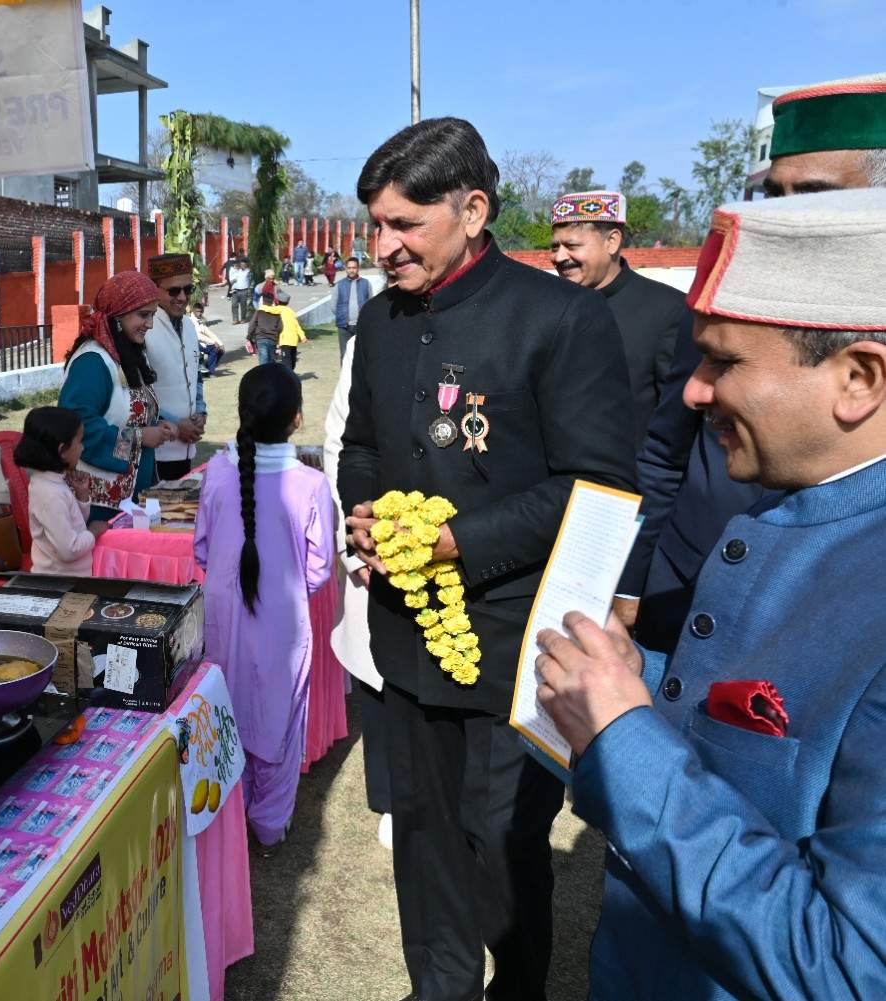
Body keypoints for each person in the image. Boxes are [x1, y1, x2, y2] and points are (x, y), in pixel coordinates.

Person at [535, 188, 886, 1001]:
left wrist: (624, 738)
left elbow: (848, 968)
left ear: (859, 378)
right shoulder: (779, 510)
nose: (695, 391)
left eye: (724, 363)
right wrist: (642, 680)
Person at [338, 117, 636, 1001]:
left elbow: (597, 485)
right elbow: (362, 444)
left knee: (502, 844)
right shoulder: (381, 323)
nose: (383, 248)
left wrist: (455, 543)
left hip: (513, 644)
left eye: (404, 225)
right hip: (404, 639)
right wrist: (367, 515)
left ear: (472, 211)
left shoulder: (561, 317)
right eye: (375, 226)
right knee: (422, 837)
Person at [617, 72, 885, 652]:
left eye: (813, 199)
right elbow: (663, 452)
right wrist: (629, 581)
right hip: (690, 572)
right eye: (772, 197)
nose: (778, 221)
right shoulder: (727, 300)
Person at [195, 363, 334, 851]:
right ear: (297, 418)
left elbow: (203, 550)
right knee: (278, 720)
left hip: (223, 618)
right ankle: (269, 823)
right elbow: (319, 568)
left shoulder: (216, 470)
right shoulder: (311, 484)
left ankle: (233, 814)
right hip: (282, 624)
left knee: (228, 709)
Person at [323, 334, 391, 849]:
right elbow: (340, 447)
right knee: (381, 678)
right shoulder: (371, 336)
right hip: (375, 544)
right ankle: (390, 798)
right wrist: (355, 547)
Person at [549, 190, 685, 446]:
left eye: (572, 246)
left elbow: (677, 421)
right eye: (555, 246)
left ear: (612, 242)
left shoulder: (668, 311)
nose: (558, 257)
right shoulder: (547, 307)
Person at [58, 271, 178, 520]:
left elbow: (125, 413)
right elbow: (77, 427)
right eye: (143, 315)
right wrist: (140, 437)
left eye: (152, 315)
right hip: (98, 506)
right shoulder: (92, 362)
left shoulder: (126, 355)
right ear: (118, 315)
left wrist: (158, 425)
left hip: (128, 499)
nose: (150, 324)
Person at [15, 406, 109, 576]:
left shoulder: (51, 482)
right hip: (60, 583)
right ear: (62, 450)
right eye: (79, 442)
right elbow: (69, 550)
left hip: (69, 579)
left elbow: (73, 526)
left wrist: (81, 496)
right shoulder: (50, 494)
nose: (82, 448)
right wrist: (93, 532)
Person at [147, 253, 207, 481]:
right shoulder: (145, 329)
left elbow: (196, 375)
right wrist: (175, 423)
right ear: (155, 289)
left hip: (187, 447)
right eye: (174, 291)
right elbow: (138, 393)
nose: (182, 297)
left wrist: (200, 411)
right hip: (157, 451)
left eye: (188, 289)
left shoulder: (190, 325)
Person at [333, 256, 370, 359]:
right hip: (344, 326)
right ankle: (345, 371)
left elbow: (370, 304)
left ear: (358, 268)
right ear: (346, 269)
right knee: (345, 354)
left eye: (354, 268)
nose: (351, 270)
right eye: (349, 268)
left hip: (361, 325)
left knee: (361, 354)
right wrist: (342, 315)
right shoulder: (339, 285)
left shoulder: (366, 283)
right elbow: (333, 305)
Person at [271, 290, 308, 370]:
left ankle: (288, 376)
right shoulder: (291, 311)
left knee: (286, 362)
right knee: (292, 362)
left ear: (277, 301)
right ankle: (290, 375)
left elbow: (267, 309)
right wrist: (302, 336)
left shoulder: (278, 309)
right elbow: (297, 325)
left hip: (284, 340)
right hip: (293, 340)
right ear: (287, 302)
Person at [246, 290, 284, 365]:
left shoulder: (259, 312)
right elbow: (280, 327)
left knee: (263, 360)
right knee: (271, 360)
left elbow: (252, 325)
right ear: (272, 301)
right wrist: (276, 333)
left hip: (261, 338)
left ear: (263, 301)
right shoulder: (277, 313)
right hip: (273, 339)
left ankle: (264, 371)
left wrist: (249, 336)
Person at [194, 302, 224, 376]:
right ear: (193, 311)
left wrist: (220, 343)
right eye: (198, 311)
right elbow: (198, 336)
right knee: (214, 349)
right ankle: (210, 372)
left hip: (202, 343)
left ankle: (208, 370)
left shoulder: (200, 320)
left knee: (220, 350)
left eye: (201, 312)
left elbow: (208, 332)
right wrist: (213, 342)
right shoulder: (191, 320)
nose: (200, 313)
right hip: (194, 344)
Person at [228, 257, 253, 324]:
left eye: (243, 264)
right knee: (234, 305)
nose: (242, 265)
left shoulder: (248, 271)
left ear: (246, 264)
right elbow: (231, 275)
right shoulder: (237, 271)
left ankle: (243, 319)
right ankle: (235, 319)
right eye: (241, 264)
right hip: (235, 290)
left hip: (244, 290)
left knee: (243, 306)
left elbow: (251, 280)